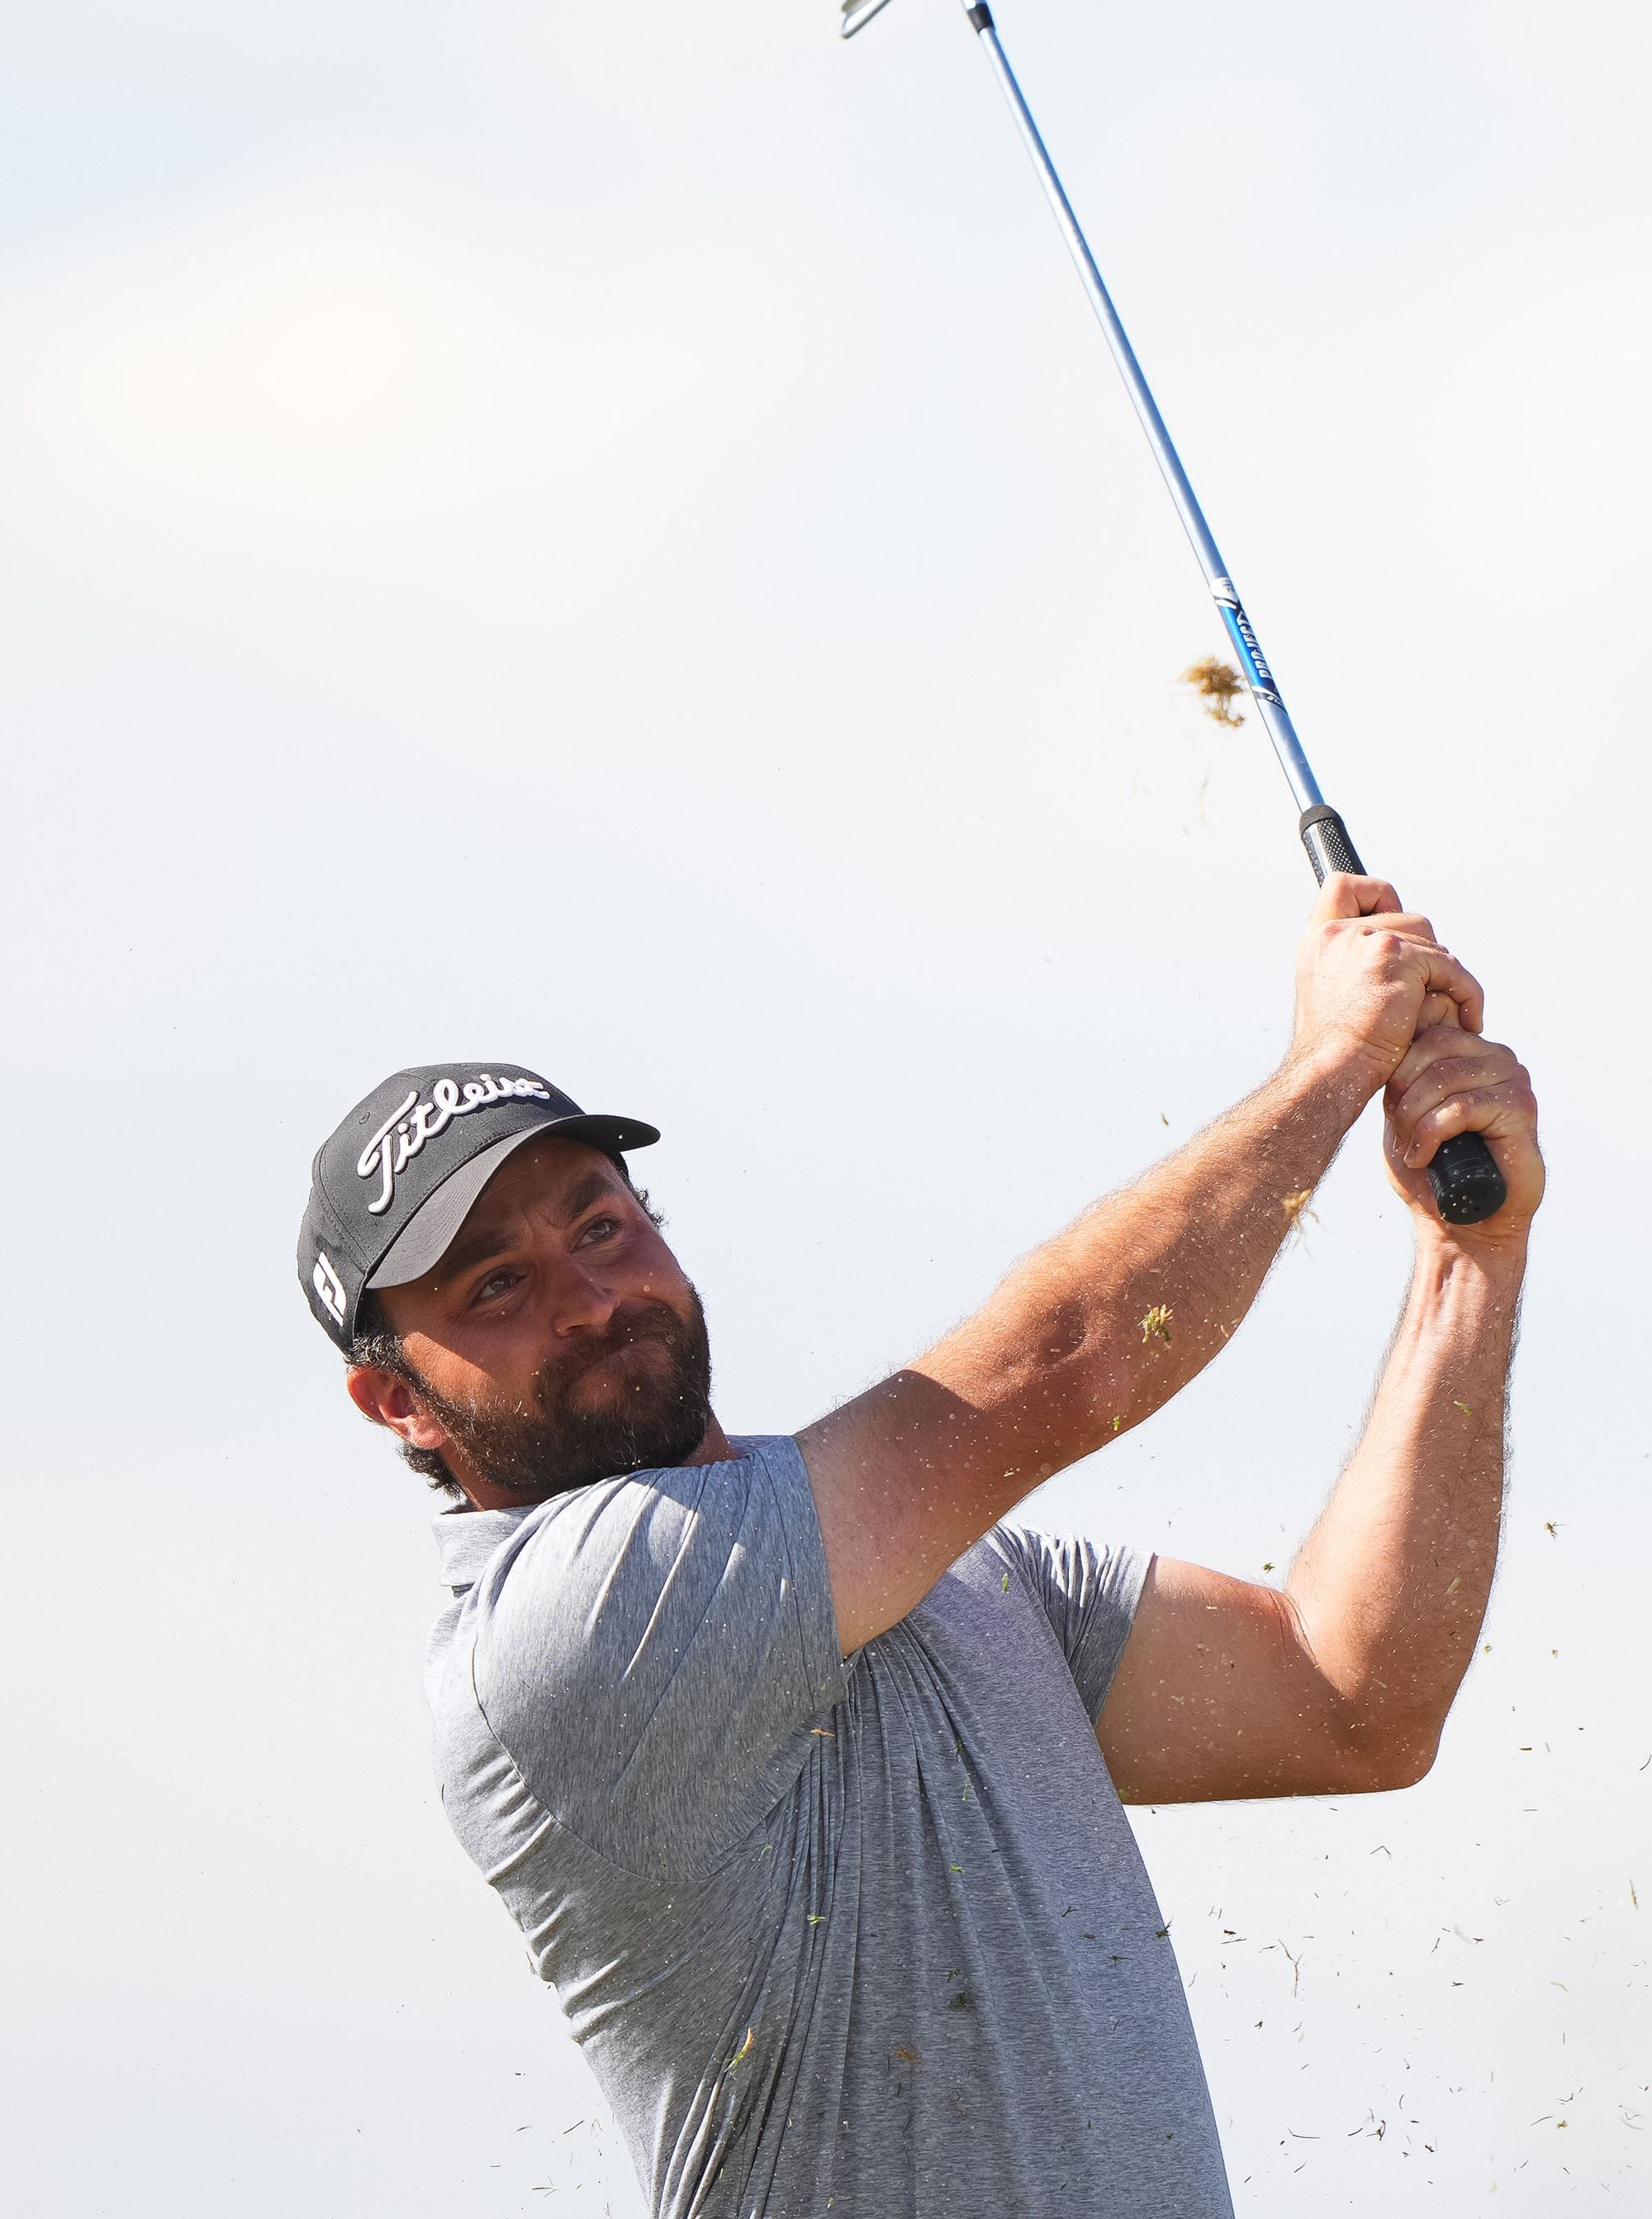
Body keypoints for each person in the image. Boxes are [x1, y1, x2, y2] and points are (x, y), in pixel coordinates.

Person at [292, 875, 1541, 2217]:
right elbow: (1068, 1360)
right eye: (498, 1284)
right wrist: (1333, 1066)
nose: (590, 1297)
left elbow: (1350, 1698)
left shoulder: (957, 1573)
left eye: (602, 1225)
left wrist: (1469, 1254)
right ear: (396, 1400)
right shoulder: (568, 1628)